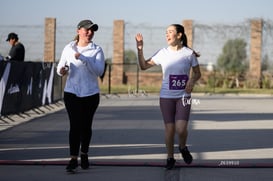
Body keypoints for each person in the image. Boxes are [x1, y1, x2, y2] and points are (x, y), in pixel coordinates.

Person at [135, 24, 201, 170]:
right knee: (170, 129)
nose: (167, 35)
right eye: (166, 32)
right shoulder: (163, 53)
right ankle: (170, 157)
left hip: (183, 96)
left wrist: (191, 81)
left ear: (179, 35)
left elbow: (197, 73)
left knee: (181, 129)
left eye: (170, 32)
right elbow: (144, 66)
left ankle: (183, 147)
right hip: (166, 97)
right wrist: (140, 50)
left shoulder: (188, 53)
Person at [57, 19, 105, 173]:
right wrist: (62, 71)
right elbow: (60, 68)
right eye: (87, 30)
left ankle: (84, 153)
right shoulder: (68, 48)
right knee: (75, 125)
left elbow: (98, 71)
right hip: (72, 92)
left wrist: (84, 58)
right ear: (79, 30)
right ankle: (73, 158)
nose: (90, 33)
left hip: (90, 94)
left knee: (86, 126)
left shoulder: (97, 50)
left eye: (92, 30)